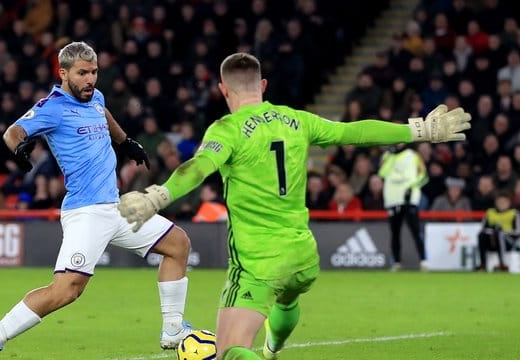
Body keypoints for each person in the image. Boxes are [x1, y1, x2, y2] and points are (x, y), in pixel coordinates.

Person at [117, 53, 471, 360]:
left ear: (223, 90)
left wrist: (157, 197)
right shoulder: (297, 120)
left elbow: (198, 168)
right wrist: (419, 130)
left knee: (230, 351)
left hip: (259, 262)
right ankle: (273, 347)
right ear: (263, 85)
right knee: (286, 299)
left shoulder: (227, 129)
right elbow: (355, 132)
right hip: (303, 255)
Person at [0, 42, 193, 359]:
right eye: (83, 73)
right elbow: (13, 131)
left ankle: (173, 329)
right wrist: (19, 148)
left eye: (94, 72)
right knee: (66, 290)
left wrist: (125, 141)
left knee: (178, 244)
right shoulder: (52, 107)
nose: (91, 80)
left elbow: (104, 113)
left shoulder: (95, 97)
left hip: (115, 208)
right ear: (63, 73)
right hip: (86, 212)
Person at [378, 143, 428, 271]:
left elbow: (424, 176)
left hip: (409, 198)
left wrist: (412, 187)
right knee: (395, 233)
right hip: (393, 199)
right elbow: (382, 173)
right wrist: (391, 156)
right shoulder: (387, 156)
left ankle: (424, 261)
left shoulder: (413, 155)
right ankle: (396, 262)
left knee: (416, 231)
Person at [475, 191, 520, 272]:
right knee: (481, 235)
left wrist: (504, 231)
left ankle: (503, 264)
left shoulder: (514, 213)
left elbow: (517, 231)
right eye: (499, 202)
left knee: (500, 234)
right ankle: (483, 264)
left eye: (504, 202)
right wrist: (493, 231)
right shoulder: (490, 212)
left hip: (509, 241)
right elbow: (483, 228)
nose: (501, 204)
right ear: (496, 202)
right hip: (493, 239)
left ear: (509, 203)